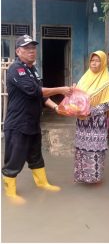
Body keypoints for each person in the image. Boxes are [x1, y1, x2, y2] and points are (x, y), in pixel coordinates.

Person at [2, 34, 73, 204]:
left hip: (32, 122)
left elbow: (40, 96)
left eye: (33, 48)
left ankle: (42, 183)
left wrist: (56, 107)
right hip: (18, 123)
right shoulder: (16, 69)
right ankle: (10, 192)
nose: (31, 51)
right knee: (15, 158)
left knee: (35, 155)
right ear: (18, 51)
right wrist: (61, 90)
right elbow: (33, 91)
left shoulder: (33, 69)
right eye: (27, 48)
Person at [74, 50, 109, 184]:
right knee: (82, 148)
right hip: (82, 122)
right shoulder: (84, 77)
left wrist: (90, 110)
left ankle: (94, 178)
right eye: (92, 60)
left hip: (96, 123)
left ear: (102, 63)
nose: (94, 63)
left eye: (97, 61)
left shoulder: (107, 82)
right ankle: (82, 176)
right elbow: (76, 96)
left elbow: (108, 103)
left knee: (95, 150)